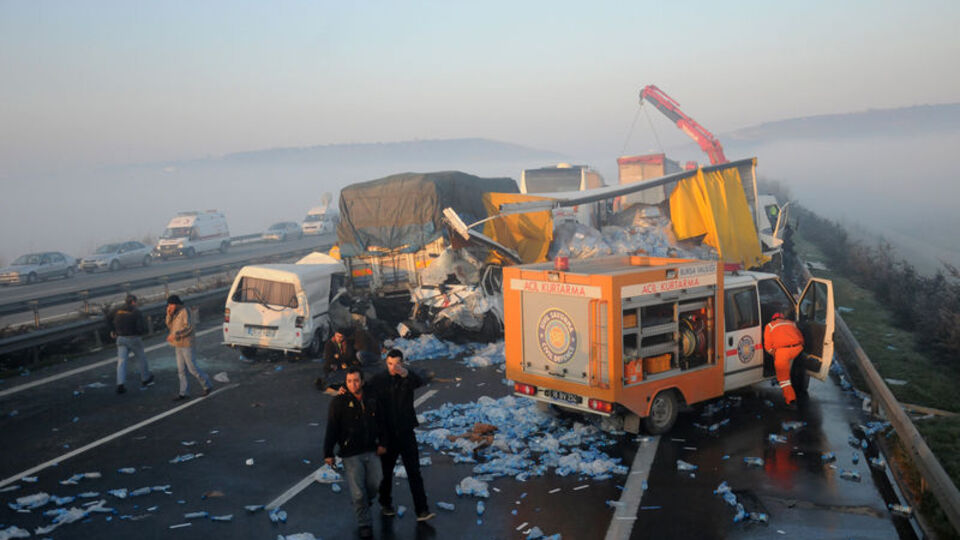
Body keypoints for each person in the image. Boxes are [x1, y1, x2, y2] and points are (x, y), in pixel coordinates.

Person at [369, 349, 435, 522]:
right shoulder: (379, 380)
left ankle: (422, 510)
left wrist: (405, 374)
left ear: (402, 363)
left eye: (397, 364)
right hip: (388, 435)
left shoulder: (407, 378)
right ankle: (385, 503)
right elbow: (362, 389)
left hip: (406, 432)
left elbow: (420, 381)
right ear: (386, 363)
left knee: (414, 471)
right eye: (390, 364)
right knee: (386, 473)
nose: (393, 367)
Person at [324, 367, 386, 539]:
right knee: (358, 492)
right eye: (349, 381)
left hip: (371, 449)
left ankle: (364, 502)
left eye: (356, 380)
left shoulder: (371, 398)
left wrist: (383, 442)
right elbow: (332, 428)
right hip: (350, 453)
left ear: (362, 381)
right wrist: (328, 452)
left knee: (376, 483)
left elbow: (382, 421)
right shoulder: (338, 402)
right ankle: (364, 523)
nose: (353, 384)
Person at [165, 295, 213, 401]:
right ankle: (183, 393)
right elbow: (169, 325)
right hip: (177, 344)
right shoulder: (174, 313)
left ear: (176, 303)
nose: (169, 306)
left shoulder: (185, 311)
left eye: (171, 304)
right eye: (168, 305)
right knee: (181, 370)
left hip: (186, 344)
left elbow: (189, 328)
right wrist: (169, 314)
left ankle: (207, 385)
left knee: (192, 368)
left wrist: (176, 335)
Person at [109, 294, 154, 394]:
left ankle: (120, 384)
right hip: (133, 338)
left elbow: (108, 318)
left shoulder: (117, 310)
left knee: (121, 362)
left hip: (120, 338)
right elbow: (141, 327)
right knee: (141, 358)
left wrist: (113, 330)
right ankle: (145, 379)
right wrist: (141, 333)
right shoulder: (136, 312)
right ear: (133, 302)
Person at [763, 312, 805, 406]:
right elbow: (801, 338)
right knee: (797, 372)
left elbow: (768, 346)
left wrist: (774, 354)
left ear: (773, 319)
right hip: (798, 349)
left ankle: (791, 400)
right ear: (783, 318)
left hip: (783, 352)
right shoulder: (791, 323)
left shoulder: (769, 326)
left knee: (783, 378)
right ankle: (799, 390)